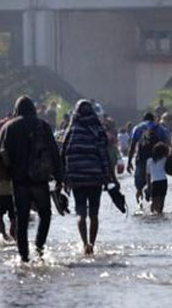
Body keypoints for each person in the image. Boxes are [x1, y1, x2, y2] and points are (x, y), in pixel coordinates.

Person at [0, 96, 63, 263]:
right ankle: (40, 249)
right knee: (45, 215)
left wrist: (4, 176)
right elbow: (54, 154)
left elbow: (1, 155)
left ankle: (24, 257)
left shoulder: (8, 127)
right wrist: (59, 179)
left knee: (22, 219)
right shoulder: (43, 125)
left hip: (19, 181)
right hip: (40, 180)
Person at [61, 100, 114, 255]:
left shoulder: (71, 130)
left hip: (77, 178)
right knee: (94, 213)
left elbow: (64, 154)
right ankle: (92, 243)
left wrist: (64, 178)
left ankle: (85, 244)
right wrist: (109, 176)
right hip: (95, 177)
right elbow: (104, 155)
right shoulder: (97, 129)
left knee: (80, 212)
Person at [126, 113, 170, 206]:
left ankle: (140, 207)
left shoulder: (138, 128)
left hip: (141, 161)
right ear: (153, 119)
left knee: (139, 187)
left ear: (143, 119)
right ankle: (154, 207)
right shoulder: (159, 128)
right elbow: (166, 144)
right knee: (155, 185)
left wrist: (129, 162)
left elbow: (132, 146)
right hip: (155, 162)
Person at [146, 143, 169, 215]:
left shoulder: (149, 161)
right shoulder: (165, 160)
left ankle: (152, 213)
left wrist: (148, 185)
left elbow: (148, 175)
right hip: (163, 181)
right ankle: (160, 213)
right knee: (162, 200)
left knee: (153, 200)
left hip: (154, 182)